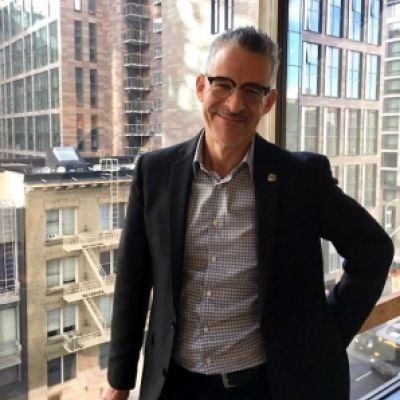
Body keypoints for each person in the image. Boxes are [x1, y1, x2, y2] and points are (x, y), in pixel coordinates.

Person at [105, 26, 394, 400]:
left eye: (252, 90)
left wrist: (325, 334)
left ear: (269, 101)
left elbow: (373, 251)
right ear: (200, 87)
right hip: (175, 386)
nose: (235, 104)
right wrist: (119, 380)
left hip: (266, 387)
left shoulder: (300, 179)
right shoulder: (155, 172)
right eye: (223, 84)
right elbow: (133, 277)